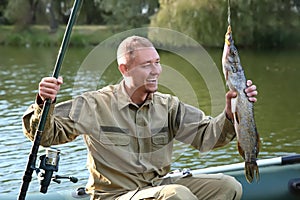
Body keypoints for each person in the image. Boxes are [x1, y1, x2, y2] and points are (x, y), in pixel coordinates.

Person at [22, 35, 258, 200]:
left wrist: (230, 113)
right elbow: (44, 135)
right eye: (147, 65)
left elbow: (207, 137)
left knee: (228, 187)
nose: (156, 70)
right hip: (115, 196)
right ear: (124, 69)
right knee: (177, 195)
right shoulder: (94, 104)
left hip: (156, 187)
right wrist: (44, 102)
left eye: (157, 62)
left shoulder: (168, 105)